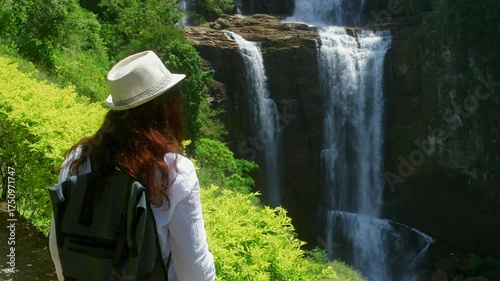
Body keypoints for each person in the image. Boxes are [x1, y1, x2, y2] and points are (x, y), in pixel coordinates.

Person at [49, 50, 216, 281]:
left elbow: (58, 245)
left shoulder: (78, 159)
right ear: (166, 107)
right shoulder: (175, 171)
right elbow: (193, 269)